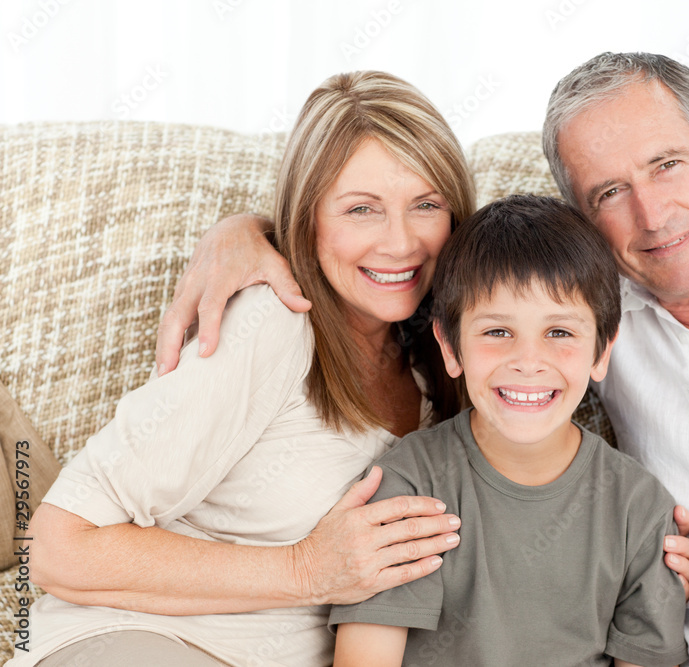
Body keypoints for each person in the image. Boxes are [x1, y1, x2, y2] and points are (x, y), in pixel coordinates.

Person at [158, 52, 689, 666]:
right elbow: (452, 268)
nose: (651, 212)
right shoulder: (589, 313)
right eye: (607, 193)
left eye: (668, 163)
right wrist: (245, 235)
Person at [13, 70, 477, 667]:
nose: (400, 242)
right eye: (361, 209)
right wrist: (307, 570)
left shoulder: (445, 358)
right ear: (307, 218)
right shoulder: (271, 324)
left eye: (426, 205)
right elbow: (55, 548)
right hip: (143, 641)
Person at [329, 194, 688, 667]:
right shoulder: (407, 487)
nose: (528, 362)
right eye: (497, 332)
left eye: (559, 332)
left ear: (602, 351)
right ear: (450, 347)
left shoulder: (640, 510)